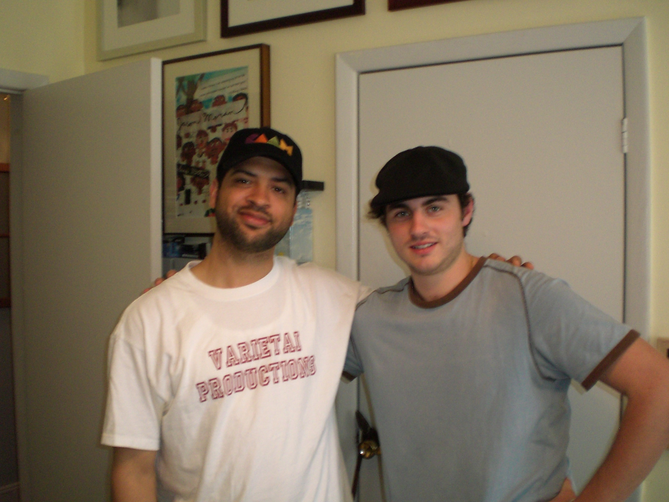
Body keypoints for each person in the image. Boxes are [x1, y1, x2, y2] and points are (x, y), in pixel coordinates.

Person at [343, 145, 669, 502]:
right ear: (387, 225)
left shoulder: (529, 297)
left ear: (466, 211)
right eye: (402, 213)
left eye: (435, 207)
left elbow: (659, 387)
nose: (418, 227)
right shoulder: (372, 318)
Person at [101, 127, 369, 501]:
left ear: (293, 211)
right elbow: (133, 469)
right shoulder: (149, 320)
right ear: (214, 192)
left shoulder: (332, 296)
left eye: (279, 189)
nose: (259, 198)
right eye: (244, 180)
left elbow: (422, 316)